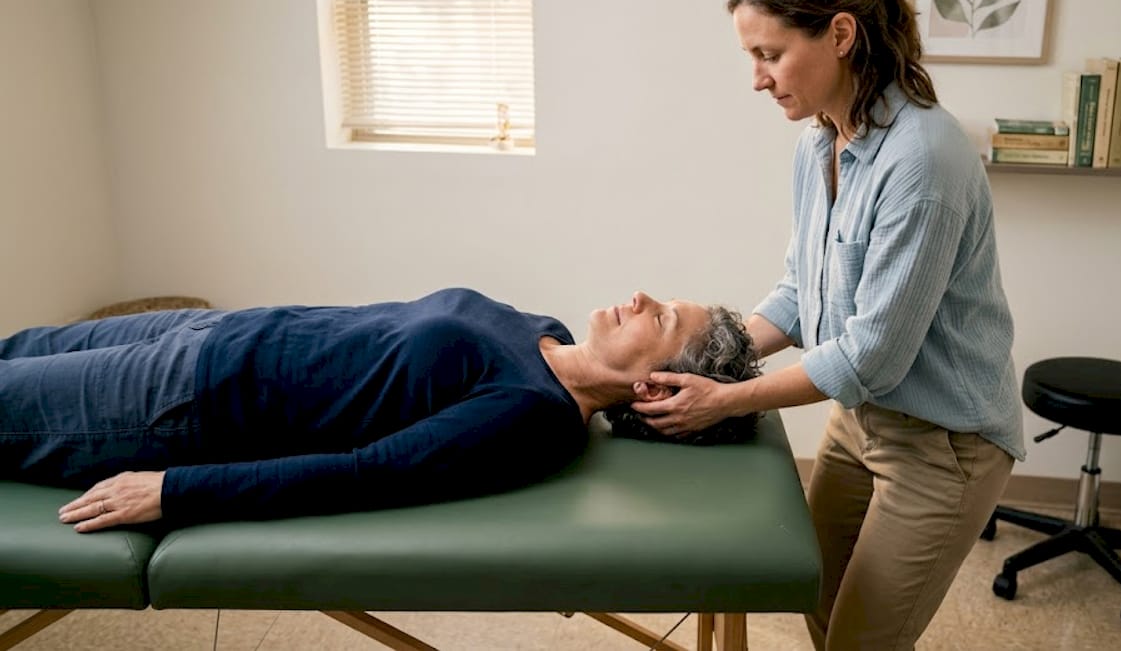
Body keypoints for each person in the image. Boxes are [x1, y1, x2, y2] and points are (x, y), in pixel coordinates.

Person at [632, 0, 1026, 648]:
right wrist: (705, 360)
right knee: (816, 600)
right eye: (751, 56)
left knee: (860, 641)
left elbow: (870, 355)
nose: (757, 78)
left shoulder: (924, 158)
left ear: (840, 34)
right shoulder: (820, 143)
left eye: (770, 54)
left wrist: (722, 399)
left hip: (944, 445)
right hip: (858, 422)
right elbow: (799, 291)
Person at [0, 288, 759, 533]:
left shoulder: (532, 417)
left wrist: (172, 490)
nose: (640, 299)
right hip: (208, 331)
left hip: (179, 402)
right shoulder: (548, 335)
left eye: (659, 320)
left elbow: (364, 475)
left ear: (653, 390)